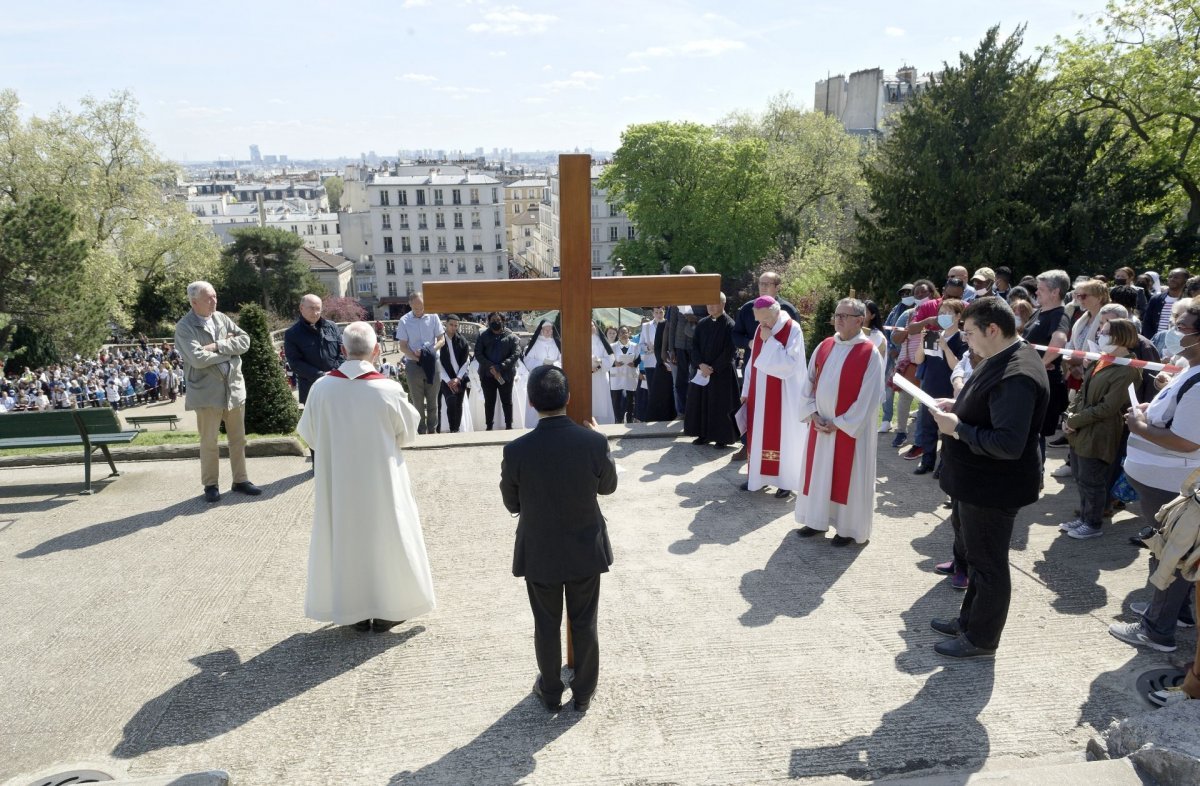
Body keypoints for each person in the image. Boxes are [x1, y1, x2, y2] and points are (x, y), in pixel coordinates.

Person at [929, 296, 1050, 658]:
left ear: (993, 329)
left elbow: (1008, 443)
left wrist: (959, 428)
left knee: (989, 564)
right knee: (978, 560)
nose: (965, 339)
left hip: (994, 487)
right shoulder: (1002, 357)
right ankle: (969, 621)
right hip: (978, 483)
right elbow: (987, 406)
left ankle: (981, 638)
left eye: (968, 333)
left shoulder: (1018, 372)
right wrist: (960, 407)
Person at [296, 322, 435, 633]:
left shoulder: (321, 388)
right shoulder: (388, 388)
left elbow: (310, 435)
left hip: (339, 481)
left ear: (343, 350)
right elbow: (408, 433)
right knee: (388, 535)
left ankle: (353, 610)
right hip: (382, 477)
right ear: (376, 351)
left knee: (346, 538)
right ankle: (390, 607)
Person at [500, 365, 618, 713]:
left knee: (546, 623)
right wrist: (604, 447)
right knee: (585, 620)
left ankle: (550, 690)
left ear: (532, 402)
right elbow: (608, 487)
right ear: (568, 397)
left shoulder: (516, 450)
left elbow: (511, 502)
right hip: (585, 544)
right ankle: (584, 691)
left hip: (539, 547)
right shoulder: (593, 441)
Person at [1109, 302, 1200, 656]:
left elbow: (1188, 440)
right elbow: (1176, 413)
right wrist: (1150, 411)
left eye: (1184, 326)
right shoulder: (1190, 370)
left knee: (1172, 555)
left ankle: (1156, 629)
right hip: (1163, 480)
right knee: (1175, 552)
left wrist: (1139, 426)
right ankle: (1176, 614)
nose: (1176, 331)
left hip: (1173, 483)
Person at [794, 298, 885, 546]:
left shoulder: (869, 353)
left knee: (850, 477)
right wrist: (813, 414)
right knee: (818, 473)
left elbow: (869, 397)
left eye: (845, 316)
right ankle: (815, 520)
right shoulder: (825, 345)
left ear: (860, 320)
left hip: (848, 431)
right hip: (820, 426)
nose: (839, 319)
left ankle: (848, 528)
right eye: (837, 315)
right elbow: (808, 382)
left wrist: (839, 423)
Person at [173, 281, 261, 504]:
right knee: (209, 442)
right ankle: (210, 485)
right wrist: (230, 352)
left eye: (214, 296)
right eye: (208, 298)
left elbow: (245, 341)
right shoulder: (184, 327)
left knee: (238, 440)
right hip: (206, 393)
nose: (214, 301)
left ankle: (240, 480)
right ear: (194, 302)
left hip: (233, 390)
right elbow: (198, 359)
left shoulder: (221, 318)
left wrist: (218, 346)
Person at [1060, 318, 1142, 540]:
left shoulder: (1128, 369)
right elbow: (1083, 392)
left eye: (1105, 333)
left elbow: (1108, 407)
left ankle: (1093, 523)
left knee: (1092, 479)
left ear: (1121, 337)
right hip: (1080, 426)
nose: (1100, 336)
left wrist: (1074, 421)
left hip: (1100, 431)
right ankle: (1085, 517)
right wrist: (1068, 417)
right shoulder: (1103, 360)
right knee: (1080, 475)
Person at [739, 296, 807, 499]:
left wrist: (771, 341)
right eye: (759, 321)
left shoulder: (792, 328)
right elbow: (753, 361)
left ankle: (785, 481)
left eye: (766, 319)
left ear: (777, 312)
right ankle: (758, 478)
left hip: (785, 394)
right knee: (758, 434)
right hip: (759, 394)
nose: (762, 324)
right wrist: (746, 390)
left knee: (784, 435)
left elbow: (789, 364)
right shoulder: (762, 328)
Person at [731, 271, 800, 459]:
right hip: (756, 370)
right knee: (754, 417)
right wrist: (750, 343)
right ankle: (748, 448)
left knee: (776, 425)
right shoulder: (747, 309)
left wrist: (769, 342)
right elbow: (736, 334)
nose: (763, 287)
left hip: (780, 379)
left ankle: (781, 466)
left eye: (767, 284)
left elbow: (794, 352)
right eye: (761, 283)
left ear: (777, 287)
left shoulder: (789, 313)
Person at [1022, 270, 1073, 467]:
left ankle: (1037, 474)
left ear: (1055, 292)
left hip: (1043, 381)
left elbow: (1059, 341)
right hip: (1029, 378)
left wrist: (1040, 363)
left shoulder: (1059, 315)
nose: (1036, 292)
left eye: (1041, 289)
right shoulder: (1039, 311)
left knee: (1036, 432)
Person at [912, 299, 967, 476]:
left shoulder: (963, 339)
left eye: (948, 313)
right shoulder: (934, 335)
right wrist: (922, 342)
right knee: (927, 427)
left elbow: (958, 367)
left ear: (958, 316)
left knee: (947, 431)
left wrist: (945, 346)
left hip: (949, 390)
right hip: (930, 385)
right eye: (941, 313)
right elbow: (918, 360)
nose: (943, 316)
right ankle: (927, 461)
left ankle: (944, 465)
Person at [685, 293, 738, 448]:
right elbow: (694, 347)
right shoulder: (702, 323)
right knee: (701, 403)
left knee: (721, 405)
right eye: (708, 304)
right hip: (702, 371)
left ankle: (722, 437)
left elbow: (730, 351)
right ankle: (703, 434)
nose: (710, 307)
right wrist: (700, 364)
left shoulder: (730, 325)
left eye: (714, 303)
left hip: (722, 373)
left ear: (723, 304)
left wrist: (713, 368)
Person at [395, 293, 446, 435]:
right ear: (410, 304)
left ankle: (433, 430)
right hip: (413, 363)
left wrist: (429, 352)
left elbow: (441, 340)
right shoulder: (404, 321)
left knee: (433, 401)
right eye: (416, 308)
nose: (419, 311)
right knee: (417, 401)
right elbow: (403, 346)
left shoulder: (433, 316)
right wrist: (418, 357)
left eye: (421, 307)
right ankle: (420, 431)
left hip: (432, 362)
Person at [284, 294, 344, 405]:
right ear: (301, 308)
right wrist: (321, 375)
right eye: (311, 308)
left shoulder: (332, 327)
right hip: (311, 388)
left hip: (336, 384)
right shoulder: (292, 334)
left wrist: (335, 372)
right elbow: (295, 363)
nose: (315, 312)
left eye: (318, 309)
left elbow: (342, 352)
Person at [664, 266, 709, 416]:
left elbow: (712, 319)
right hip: (679, 345)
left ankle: (695, 410)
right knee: (680, 381)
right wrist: (671, 349)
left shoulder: (703, 296)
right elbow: (671, 325)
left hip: (697, 345)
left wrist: (695, 319)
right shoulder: (676, 297)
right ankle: (682, 412)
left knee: (696, 378)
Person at [474, 311, 521, 430]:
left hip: (505, 375)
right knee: (489, 402)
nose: (496, 322)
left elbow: (516, 354)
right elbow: (478, 353)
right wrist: (491, 367)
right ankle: (489, 426)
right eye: (493, 320)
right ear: (489, 322)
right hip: (487, 375)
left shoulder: (511, 336)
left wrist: (500, 367)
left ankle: (509, 426)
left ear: (503, 321)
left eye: (498, 320)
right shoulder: (483, 336)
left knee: (507, 401)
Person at [879, 283, 916, 435]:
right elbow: (887, 329)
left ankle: (907, 423)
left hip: (912, 357)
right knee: (888, 387)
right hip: (894, 355)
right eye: (903, 293)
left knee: (910, 390)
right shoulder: (896, 309)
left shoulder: (921, 310)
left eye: (909, 292)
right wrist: (892, 348)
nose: (906, 296)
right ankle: (887, 420)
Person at [522, 319, 562, 426]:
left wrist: (555, 364)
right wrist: (542, 363)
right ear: (541, 331)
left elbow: (562, 358)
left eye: (550, 330)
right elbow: (527, 360)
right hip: (538, 378)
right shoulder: (534, 344)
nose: (549, 332)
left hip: (553, 377)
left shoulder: (556, 343)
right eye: (546, 330)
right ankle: (533, 425)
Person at [438, 315, 472, 433]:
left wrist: (458, 378)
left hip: (460, 377)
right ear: (446, 324)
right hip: (445, 379)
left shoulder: (462, 341)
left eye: (456, 325)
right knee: (451, 402)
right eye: (451, 325)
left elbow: (465, 362)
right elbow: (438, 362)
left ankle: (456, 429)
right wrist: (448, 380)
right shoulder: (439, 340)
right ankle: (452, 429)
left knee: (458, 404)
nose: (453, 327)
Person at [645, 307, 678, 422]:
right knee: (661, 393)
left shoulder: (681, 323)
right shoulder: (662, 325)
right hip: (663, 365)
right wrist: (664, 362)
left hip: (679, 363)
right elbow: (658, 347)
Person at [1142, 268, 1192, 340]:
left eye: (1176, 277)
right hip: (1157, 342)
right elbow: (1147, 322)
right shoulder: (1156, 299)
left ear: (1185, 281)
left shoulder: (1189, 301)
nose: (1172, 279)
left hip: (1178, 343)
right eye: (1170, 277)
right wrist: (1152, 340)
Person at [609, 326, 639, 424]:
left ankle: (630, 419)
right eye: (621, 333)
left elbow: (639, 358)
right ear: (618, 334)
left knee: (631, 399)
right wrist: (614, 363)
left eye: (625, 332)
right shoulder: (612, 346)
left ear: (629, 333)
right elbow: (608, 359)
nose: (624, 335)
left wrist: (635, 363)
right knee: (616, 399)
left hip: (630, 374)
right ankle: (618, 419)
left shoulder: (635, 346)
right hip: (617, 375)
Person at [590, 321, 616, 425]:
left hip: (600, 374)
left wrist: (599, 364)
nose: (591, 328)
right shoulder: (579, 340)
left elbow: (610, 357)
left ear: (595, 327)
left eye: (592, 325)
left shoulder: (601, 341)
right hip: (584, 376)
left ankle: (603, 423)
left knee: (601, 399)